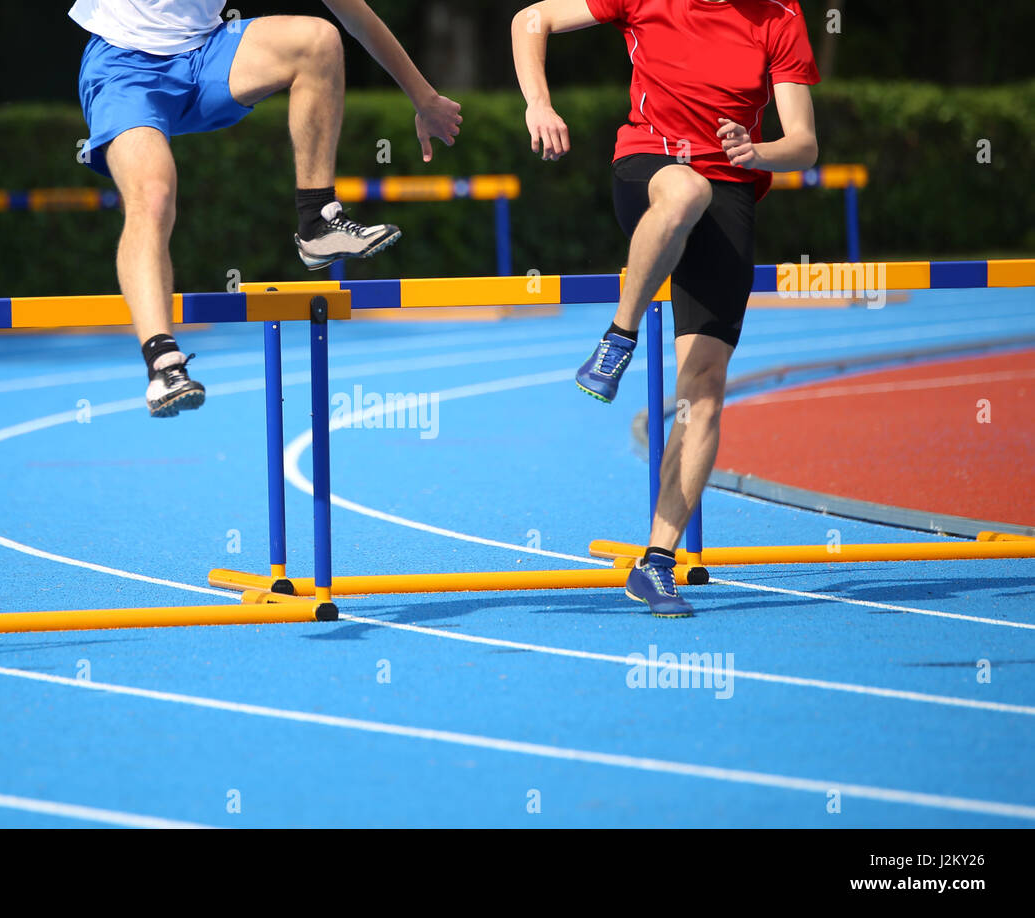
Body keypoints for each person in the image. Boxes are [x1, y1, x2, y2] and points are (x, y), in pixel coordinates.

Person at [511, 0, 820, 617]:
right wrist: (538, 102)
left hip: (732, 186)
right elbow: (530, 20)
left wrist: (759, 152)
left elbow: (805, 144)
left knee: (703, 386)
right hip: (652, 166)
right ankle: (618, 337)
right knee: (685, 189)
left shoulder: (780, 16)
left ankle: (656, 563)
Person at [69, 0, 462, 417]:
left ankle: (318, 221)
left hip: (207, 56)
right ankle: (163, 363)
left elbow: (355, 15)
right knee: (152, 195)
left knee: (317, 39)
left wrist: (424, 99)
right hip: (124, 69)